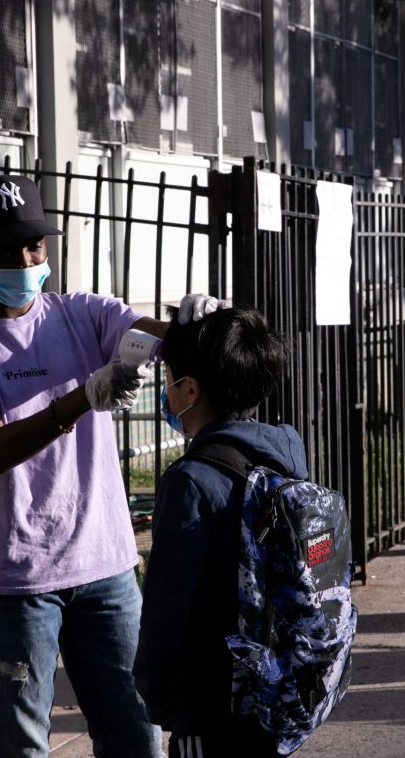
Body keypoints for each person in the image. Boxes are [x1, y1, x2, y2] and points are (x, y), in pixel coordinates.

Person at [0, 173, 224, 757]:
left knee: (138, 737)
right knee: (21, 745)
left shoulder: (81, 313)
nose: (26, 260)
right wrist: (82, 398)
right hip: (13, 581)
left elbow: (150, 335)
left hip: (104, 568)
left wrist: (196, 325)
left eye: (35, 245)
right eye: (5, 250)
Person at [134, 306, 302, 758]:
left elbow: (167, 606)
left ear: (189, 390)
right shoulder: (284, 450)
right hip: (274, 683)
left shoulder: (190, 481)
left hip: (209, 701)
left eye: (168, 378)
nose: (164, 389)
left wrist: (159, 697)